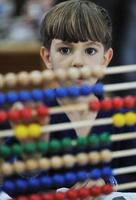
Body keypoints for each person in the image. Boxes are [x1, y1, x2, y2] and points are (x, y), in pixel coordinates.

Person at [1, 0, 136, 199]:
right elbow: (12, 191)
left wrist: (108, 186)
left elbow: (131, 181)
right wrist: (32, 159)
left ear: (106, 59)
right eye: (65, 50)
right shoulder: (35, 119)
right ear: (47, 57)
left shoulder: (122, 118)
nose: (78, 62)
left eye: (90, 51)